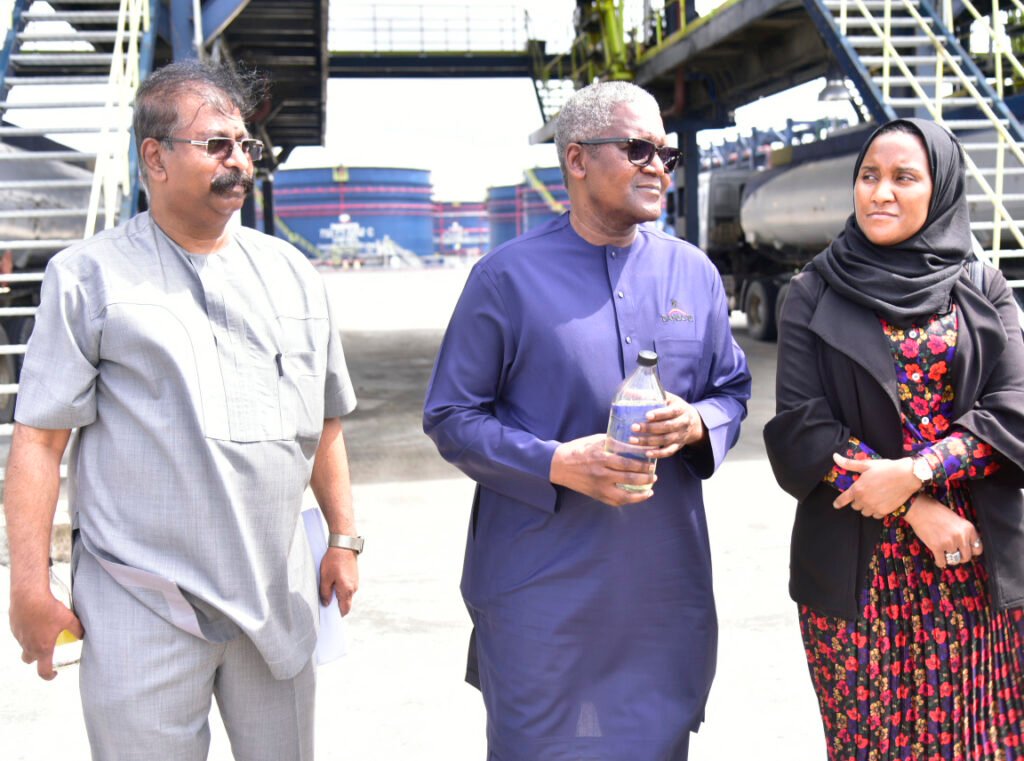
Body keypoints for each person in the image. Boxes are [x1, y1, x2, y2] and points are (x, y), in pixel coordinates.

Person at [4, 60, 361, 760]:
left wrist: (344, 538)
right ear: (155, 157)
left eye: (245, 145)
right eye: (216, 145)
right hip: (142, 602)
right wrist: (27, 585)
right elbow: (39, 442)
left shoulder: (290, 273)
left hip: (275, 598)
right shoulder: (88, 277)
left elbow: (325, 421)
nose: (239, 160)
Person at [423, 81, 751, 760]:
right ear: (576, 159)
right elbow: (451, 415)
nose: (658, 164)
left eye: (664, 151)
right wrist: (556, 462)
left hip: (661, 594)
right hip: (542, 596)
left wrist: (695, 422)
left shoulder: (694, 275)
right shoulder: (505, 279)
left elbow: (732, 392)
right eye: (637, 149)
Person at [764, 118, 1024, 758]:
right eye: (868, 176)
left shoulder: (981, 286)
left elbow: (1014, 406)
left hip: (975, 562)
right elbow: (801, 424)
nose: (880, 192)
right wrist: (912, 505)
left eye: (904, 177)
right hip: (861, 570)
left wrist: (921, 471)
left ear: (939, 190)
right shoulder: (813, 290)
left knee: (981, 743)